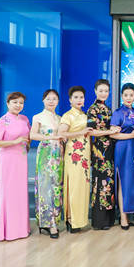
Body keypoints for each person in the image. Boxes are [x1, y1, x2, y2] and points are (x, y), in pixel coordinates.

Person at [0, 92, 31, 241]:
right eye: (15, 102)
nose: (18, 105)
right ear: (8, 103)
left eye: (21, 103)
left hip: (21, 159)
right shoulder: (2, 121)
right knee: (8, 193)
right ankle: (7, 231)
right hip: (7, 160)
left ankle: (21, 229)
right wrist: (14, 142)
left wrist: (26, 145)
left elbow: (28, 137)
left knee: (20, 193)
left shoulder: (25, 119)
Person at [86, 79, 121, 230]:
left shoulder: (107, 109)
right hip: (99, 150)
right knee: (100, 182)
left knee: (109, 181)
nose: (103, 93)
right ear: (95, 91)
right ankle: (99, 221)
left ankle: (108, 219)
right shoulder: (92, 109)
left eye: (106, 91)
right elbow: (91, 132)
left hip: (109, 149)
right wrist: (109, 131)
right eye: (100, 90)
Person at [59, 86, 93, 233]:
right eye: (76, 97)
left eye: (81, 97)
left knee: (82, 188)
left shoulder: (85, 115)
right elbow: (62, 133)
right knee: (73, 186)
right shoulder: (67, 116)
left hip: (85, 155)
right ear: (70, 100)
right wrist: (81, 132)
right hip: (73, 154)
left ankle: (81, 221)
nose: (79, 100)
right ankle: (71, 220)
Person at [31, 89, 63, 238]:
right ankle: (48, 223)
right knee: (45, 186)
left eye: (54, 99)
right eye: (48, 98)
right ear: (43, 100)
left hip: (58, 153)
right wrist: (50, 137)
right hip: (45, 152)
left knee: (56, 185)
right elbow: (32, 135)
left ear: (58, 101)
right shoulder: (38, 117)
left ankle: (54, 219)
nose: (51, 101)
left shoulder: (60, 118)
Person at [110, 83, 134, 230]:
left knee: (131, 181)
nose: (128, 98)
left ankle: (128, 215)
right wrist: (131, 135)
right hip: (123, 148)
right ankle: (123, 216)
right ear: (122, 96)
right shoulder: (118, 113)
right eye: (126, 95)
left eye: (131, 95)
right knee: (123, 180)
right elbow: (113, 134)